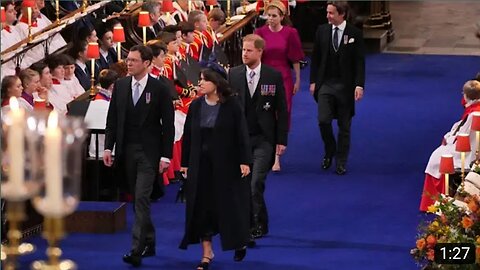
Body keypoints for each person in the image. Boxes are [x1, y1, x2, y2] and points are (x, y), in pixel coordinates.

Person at [103, 45, 174, 267]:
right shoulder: (121, 86)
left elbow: (168, 126)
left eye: (133, 60)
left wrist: (166, 156)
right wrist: (108, 147)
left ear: (146, 63)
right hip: (126, 151)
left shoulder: (160, 88)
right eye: (128, 59)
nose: (128, 63)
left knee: (142, 199)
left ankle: (137, 248)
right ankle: (150, 240)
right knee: (137, 200)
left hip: (149, 154)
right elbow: (112, 120)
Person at [180, 66, 252, 269]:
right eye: (200, 79)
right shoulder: (195, 106)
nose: (200, 83)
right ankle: (206, 253)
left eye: (204, 80)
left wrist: (244, 160)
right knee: (202, 208)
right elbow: (189, 136)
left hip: (226, 164)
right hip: (200, 164)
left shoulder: (232, 106)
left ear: (216, 83)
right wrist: (185, 163)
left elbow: (241, 134)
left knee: (229, 206)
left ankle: (239, 241)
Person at [228, 34, 288, 240]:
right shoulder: (233, 75)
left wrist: (281, 140)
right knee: (244, 186)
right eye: (243, 50)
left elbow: (282, 109)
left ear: (260, 52)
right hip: (240, 141)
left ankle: (259, 225)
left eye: (249, 50)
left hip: (264, 139)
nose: (244, 54)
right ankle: (251, 222)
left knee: (255, 184)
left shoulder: (273, 75)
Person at [309, 1, 365, 175]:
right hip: (326, 83)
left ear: (342, 14)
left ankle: (341, 161)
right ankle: (330, 149)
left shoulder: (354, 33)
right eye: (327, 12)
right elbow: (316, 58)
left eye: (331, 13)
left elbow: (359, 62)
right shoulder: (322, 31)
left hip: (346, 87)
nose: (327, 16)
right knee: (323, 120)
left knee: (344, 127)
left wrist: (359, 85)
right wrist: (313, 81)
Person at [255, 0, 304, 171]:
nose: (270, 19)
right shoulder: (259, 32)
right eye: (268, 15)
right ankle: (266, 152)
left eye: (274, 16)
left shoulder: (290, 33)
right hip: (265, 77)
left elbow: (295, 58)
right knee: (267, 112)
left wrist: (297, 79)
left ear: (282, 17)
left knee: (282, 112)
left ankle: (277, 156)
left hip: (283, 77)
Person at [419, 80, 480, 211]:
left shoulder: (475, 113)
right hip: (470, 146)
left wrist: (448, 138)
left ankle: (437, 200)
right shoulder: (474, 109)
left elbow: (464, 136)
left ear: (465, 96)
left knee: (437, 157)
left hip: (468, 151)